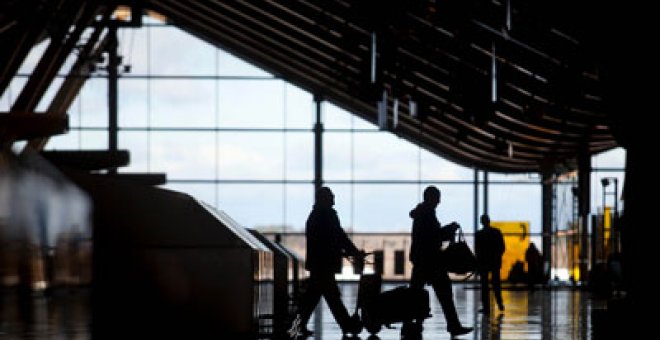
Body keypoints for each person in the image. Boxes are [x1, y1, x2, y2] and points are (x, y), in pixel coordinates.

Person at [289, 187, 363, 338]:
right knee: (331, 298)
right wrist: (353, 251)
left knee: (312, 300)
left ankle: (296, 327)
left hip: (319, 264)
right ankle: (347, 325)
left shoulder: (316, 215)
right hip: (324, 264)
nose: (333, 198)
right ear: (324, 198)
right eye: (330, 196)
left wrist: (346, 251)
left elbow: (328, 239)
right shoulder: (327, 215)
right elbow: (338, 236)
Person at [407, 185, 472, 337]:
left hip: (422, 260)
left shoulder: (422, 213)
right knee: (444, 294)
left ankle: (411, 325)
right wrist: (449, 229)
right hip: (430, 261)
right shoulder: (426, 214)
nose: (439, 202)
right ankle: (453, 326)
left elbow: (430, 235)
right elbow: (433, 236)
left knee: (415, 294)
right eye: (437, 198)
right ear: (431, 198)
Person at [475, 214, 505, 313]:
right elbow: (502, 247)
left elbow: (478, 251)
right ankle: (500, 304)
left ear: (481, 222)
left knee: (484, 286)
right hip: (495, 263)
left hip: (484, 264)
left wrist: (478, 264)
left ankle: (486, 307)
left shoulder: (479, 234)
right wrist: (496, 256)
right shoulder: (496, 232)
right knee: (496, 284)